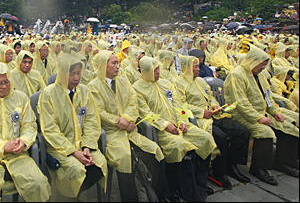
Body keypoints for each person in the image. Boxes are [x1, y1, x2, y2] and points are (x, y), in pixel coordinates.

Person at [133, 56, 218, 201]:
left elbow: (179, 105)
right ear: (146, 71)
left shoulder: (166, 84)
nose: (158, 72)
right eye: (155, 70)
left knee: (205, 138)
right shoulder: (137, 89)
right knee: (179, 146)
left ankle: (199, 182)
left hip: (179, 124)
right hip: (162, 130)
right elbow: (146, 114)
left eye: (159, 68)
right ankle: (175, 188)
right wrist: (166, 125)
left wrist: (182, 119)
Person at [0, 62, 51, 201]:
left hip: (16, 155)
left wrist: (23, 141)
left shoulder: (20, 97)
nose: (4, 86)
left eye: (6, 82)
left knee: (38, 183)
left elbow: (29, 125)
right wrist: (1, 146)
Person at [89, 51, 167, 201]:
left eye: (118, 63)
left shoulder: (123, 81)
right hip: (112, 134)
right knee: (124, 159)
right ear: (103, 66)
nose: (118, 66)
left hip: (130, 131)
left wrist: (127, 119)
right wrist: (121, 123)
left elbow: (133, 103)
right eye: (114, 63)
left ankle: (158, 195)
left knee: (154, 152)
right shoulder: (94, 86)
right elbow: (99, 112)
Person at [173, 55, 251, 188]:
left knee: (242, 131)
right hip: (199, 119)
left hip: (214, 115)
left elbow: (210, 96)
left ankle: (231, 164)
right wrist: (202, 112)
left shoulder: (201, 81)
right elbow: (180, 105)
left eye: (198, 66)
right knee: (220, 137)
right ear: (187, 67)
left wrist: (214, 104)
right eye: (195, 66)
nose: (198, 69)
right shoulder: (178, 83)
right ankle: (219, 172)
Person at [225, 48, 299, 184]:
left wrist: (275, 112)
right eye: (262, 64)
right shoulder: (237, 74)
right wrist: (257, 118)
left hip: (261, 113)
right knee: (265, 132)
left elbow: (268, 96)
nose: (263, 68)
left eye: (265, 65)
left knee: (290, 125)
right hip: (241, 115)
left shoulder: (259, 75)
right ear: (253, 61)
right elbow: (241, 102)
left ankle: (284, 161)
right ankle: (259, 168)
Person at [38, 54, 108, 200]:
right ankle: (69, 198)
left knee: (99, 164)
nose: (76, 78)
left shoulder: (84, 91)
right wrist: (73, 152)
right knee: (74, 169)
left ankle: (71, 196)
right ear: (63, 73)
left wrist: (87, 146)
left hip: (83, 144)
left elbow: (91, 121)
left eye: (78, 73)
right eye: (72, 74)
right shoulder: (48, 94)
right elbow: (50, 129)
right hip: (59, 148)